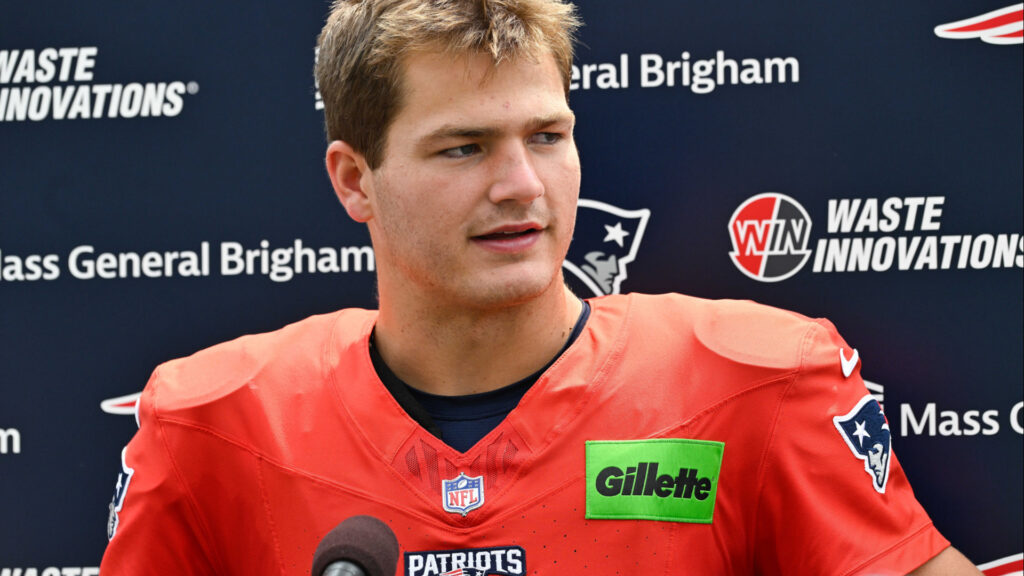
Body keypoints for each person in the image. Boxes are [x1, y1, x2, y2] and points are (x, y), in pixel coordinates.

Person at [100, 1, 983, 574]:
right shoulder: (216, 424)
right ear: (354, 180)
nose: (522, 185)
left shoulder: (759, 382)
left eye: (547, 137)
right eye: (464, 148)